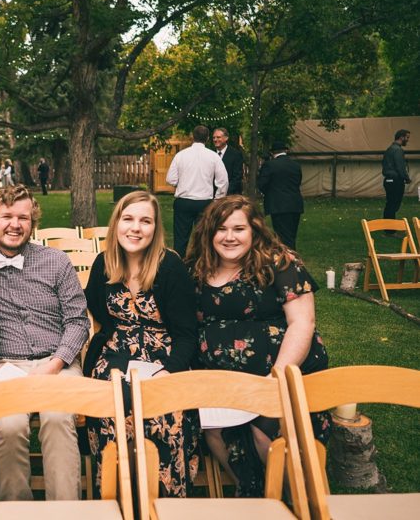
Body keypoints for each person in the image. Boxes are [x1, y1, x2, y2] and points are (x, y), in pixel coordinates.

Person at [186, 195, 329, 498]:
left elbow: (303, 323)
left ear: (254, 230)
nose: (229, 237)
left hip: (280, 372)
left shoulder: (279, 262)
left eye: (238, 229)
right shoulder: (198, 268)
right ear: (209, 232)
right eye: (221, 229)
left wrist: (275, 378)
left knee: (265, 430)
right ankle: (253, 494)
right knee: (214, 426)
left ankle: (295, 500)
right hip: (223, 380)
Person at [0, 185, 89, 501]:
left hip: (58, 361)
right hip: (4, 366)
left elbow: (78, 321)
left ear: (32, 222)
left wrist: (55, 365)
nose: (15, 224)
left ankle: (65, 511)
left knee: (57, 417)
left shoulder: (56, 261)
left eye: (23, 217)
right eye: (6, 216)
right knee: (8, 426)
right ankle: (15, 509)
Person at [83, 190, 199, 497]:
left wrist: (169, 370)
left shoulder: (170, 267)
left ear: (155, 228)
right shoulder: (103, 263)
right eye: (128, 219)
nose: (136, 228)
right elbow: (96, 311)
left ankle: (165, 499)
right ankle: (112, 495)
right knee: (108, 407)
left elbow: (188, 332)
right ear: (116, 223)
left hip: (165, 356)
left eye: (145, 221)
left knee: (164, 413)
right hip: (115, 353)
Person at [166, 125, 228, 257]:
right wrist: (217, 200)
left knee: (180, 239)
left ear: (192, 137)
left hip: (183, 202)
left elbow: (170, 179)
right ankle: (201, 266)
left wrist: (181, 183)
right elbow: (223, 181)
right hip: (204, 203)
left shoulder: (180, 155)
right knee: (203, 239)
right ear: (207, 138)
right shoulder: (213, 156)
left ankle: (179, 266)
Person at [257, 141, 304, 250]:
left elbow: (262, 184)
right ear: (286, 150)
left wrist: (268, 192)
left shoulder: (270, 165)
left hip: (278, 205)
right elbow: (298, 182)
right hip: (295, 204)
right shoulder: (295, 165)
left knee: (282, 236)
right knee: (291, 235)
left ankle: (289, 259)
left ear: (272, 153)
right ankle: (291, 256)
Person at [381, 129, 411, 235]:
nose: (408, 140)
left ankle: (388, 229)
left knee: (390, 205)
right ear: (401, 137)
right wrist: (407, 178)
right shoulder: (398, 150)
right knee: (393, 205)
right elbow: (400, 167)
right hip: (395, 180)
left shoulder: (389, 149)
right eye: (407, 137)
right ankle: (390, 231)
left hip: (388, 180)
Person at [213, 128, 243, 195]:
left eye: (218, 137)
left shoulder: (236, 154)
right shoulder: (210, 154)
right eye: (214, 137)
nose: (215, 140)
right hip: (212, 195)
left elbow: (237, 177)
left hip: (230, 195)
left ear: (226, 138)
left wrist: (224, 192)